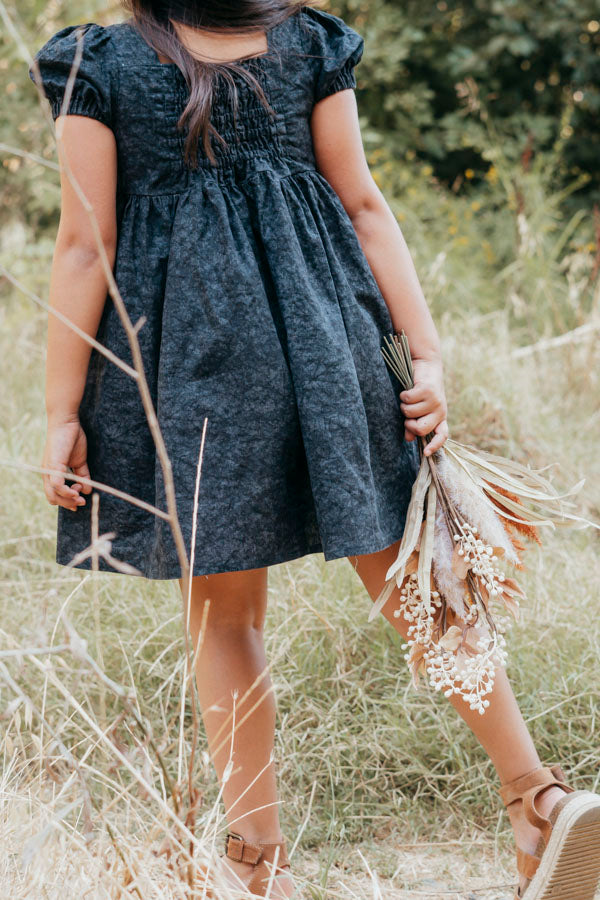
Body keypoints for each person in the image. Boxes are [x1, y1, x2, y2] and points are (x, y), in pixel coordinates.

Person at [29, 2, 600, 898]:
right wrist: (425, 354)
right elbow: (365, 206)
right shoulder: (306, 42)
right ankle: (537, 798)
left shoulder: (95, 63)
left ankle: (257, 872)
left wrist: (62, 408)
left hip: (198, 366)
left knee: (226, 617)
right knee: (407, 570)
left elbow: (81, 248)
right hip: (335, 342)